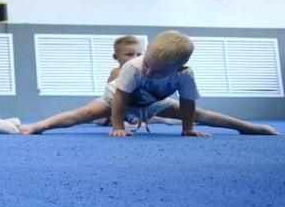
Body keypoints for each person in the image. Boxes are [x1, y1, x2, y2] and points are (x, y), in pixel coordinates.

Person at [19, 30, 280, 136]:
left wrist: (187, 128)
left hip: (153, 102)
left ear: (179, 69)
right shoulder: (133, 67)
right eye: (146, 63)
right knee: (84, 113)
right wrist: (118, 125)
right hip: (117, 98)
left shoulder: (185, 76)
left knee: (202, 114)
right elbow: (121, 98)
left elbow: (189, 104)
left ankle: (246, 127)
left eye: (156, 71)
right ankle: (39, 126)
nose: (147, 70)